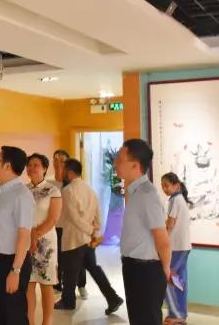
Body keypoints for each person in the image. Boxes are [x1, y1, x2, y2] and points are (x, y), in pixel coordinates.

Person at [54, 158, 124, 315]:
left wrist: (90, 231)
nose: (61, 172)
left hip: (74, 238)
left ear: (69, 172)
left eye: (63, 169)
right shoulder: (90, 189)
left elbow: (73, 218)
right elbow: (98, 213)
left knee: (69, 272)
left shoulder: (68, 190)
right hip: (87, 240)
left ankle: (68, 301)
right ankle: (113, 298)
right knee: (94, 269)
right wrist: (95, 232)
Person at [115, 139, 171, 325]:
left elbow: (162, 239)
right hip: (133, 267)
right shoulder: (134, 191)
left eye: (120, 159)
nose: (116, 163)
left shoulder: (147, 194)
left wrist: (165, 268)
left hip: (146, 271)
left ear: (135, 165)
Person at [0, 146, 35, 325]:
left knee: (14, 315)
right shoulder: (2, 191)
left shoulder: (22, 195)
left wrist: (15, 271)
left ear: (7, 166)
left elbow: (24, 235)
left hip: (13, 262)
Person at [25, 153, 62, 325]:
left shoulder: (53, 191)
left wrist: (35, 234)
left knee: (46, 283)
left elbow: (53, 219)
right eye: (29, 165)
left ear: (45, 168)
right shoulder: (23, 190)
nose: (32, 168)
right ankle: (30, 322)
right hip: (25, 243)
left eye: (36, 165)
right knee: (29, 283)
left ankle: (47, 322)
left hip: (45, 243)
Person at [52, 149, 87, 297]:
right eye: (56, 160)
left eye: (62, 160)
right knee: (57, 257)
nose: (58, 163)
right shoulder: (49, 182)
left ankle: (81, 285)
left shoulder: (74, 183)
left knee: (76, 258)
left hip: (72, 227)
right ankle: (57, 284)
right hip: (55, 226)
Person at [161, 172, 192, 325]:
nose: (164, 189)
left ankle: (176, 314)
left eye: (166, 186)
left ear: (176, 185)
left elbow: (170, 223)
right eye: (162, 186)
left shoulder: (175, 199)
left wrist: (162, 239)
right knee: (179, 281)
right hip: (184, 247)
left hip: (177, 248)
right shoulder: (180, 199)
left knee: (169, 278)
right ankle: (181, 314)